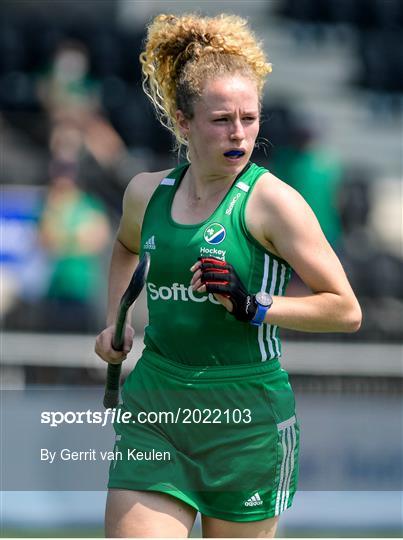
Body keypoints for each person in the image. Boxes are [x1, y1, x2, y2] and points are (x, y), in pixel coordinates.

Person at [95, 13, 362, 538]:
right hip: (157, 405)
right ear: (182, 120)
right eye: (221, 120)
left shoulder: (274, 204)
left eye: (249, 118)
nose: (238, 133)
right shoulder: (146, 193)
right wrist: (116, 322)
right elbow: (126, 247)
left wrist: (253, 305)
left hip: (247, 420)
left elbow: (345, 309)